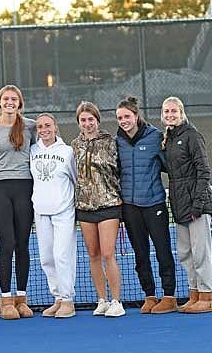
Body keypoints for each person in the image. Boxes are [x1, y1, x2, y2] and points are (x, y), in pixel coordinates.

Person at [115, 96, 177, 314]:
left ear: (136, 116)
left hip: (154, 204)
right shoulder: (118, 141)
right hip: (130, 208)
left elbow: (171, 166)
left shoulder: (155, 137)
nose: (124, 121)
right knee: (140, 254)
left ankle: (169, 296)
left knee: (163, 251)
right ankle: (149, 296)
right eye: (120, 117)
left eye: (127, 116)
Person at [0, 84, 36, 320]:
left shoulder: (31, 126)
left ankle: (21, 299)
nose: (10, 102)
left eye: (14, 99)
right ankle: (5, 300)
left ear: (20, 103)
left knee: (23, 244)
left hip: (25, 188)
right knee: (7, 244)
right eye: (6, 99)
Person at [161, 96, 212, 313]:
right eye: (166, 112)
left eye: (173, 111)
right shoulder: (170, 139)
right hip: (179, 205)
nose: (170, 115)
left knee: (201, 252)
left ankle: (207, 297)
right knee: (185, 252)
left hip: (196, 207)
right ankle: (194, 294)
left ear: (181, 112)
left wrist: (197, 205)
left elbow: (204, 172)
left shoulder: (192, 135)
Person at [71, 101, 125, 317]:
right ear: (78, 122)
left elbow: (120, 170)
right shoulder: (74, 145)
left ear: (97, 120)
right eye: (83, 120)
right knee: (93, 254)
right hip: (85, 207)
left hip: (109, 205)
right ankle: (102, 300)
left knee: (108, 253)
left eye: (90, 119)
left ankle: (116, 301)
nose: (87, 123)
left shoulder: (110, 142)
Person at [31, 113, 78, 318]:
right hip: (40, 211)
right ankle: (57, 298)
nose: (44, 129)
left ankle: (68, 300)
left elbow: (76, 179)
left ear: (55, 127)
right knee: (47, 258)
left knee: (62, 255)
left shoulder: (67, 152)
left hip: (64, 212)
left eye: (47, 125)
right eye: (40, 126)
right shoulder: (32, 150)